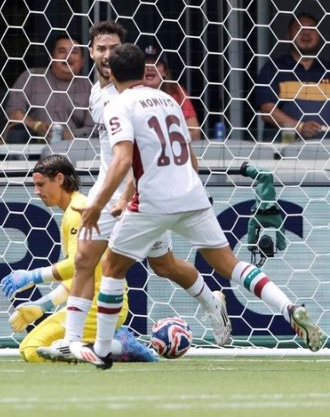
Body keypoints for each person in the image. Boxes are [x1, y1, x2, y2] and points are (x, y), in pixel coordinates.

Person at [73, 44, 325, 367]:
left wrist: (98, 205)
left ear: (112, 73)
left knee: (111, 267)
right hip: (191, 193)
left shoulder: (118, 105)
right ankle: (288, 307)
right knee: (230, 264)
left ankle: (103, 350)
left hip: (153, 200)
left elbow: (122, 161)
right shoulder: (169, 100)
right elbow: (191, 158)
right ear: (143, 70)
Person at [24, 21, 230, 363]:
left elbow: (138, 156)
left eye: (111, 49)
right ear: (90, 53)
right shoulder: (95, 93)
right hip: (109, 194)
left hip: (141, 196)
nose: (105, 55)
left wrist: (125, 196)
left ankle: (212, 302)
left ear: (121, 53)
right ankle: (71, 341)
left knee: (164, 266)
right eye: (100, 49)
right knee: (85, 260)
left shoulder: (132, 97)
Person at [4, 154, 157, 363]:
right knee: (28, 350)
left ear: (59, 179)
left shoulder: (77, 212)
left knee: (32, 350)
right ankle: (109, 342)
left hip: (97, 305)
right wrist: (43, 305)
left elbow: (77, 263)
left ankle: (120, 346)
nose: (36, 192)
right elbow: (82, 274)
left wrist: (33, 276)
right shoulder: (73, 210)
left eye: (41, 185)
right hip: (90, 302)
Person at [3, 33, 93, 143]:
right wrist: (36, 126)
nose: (67, 57)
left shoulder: (89, 88)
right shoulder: (31, 77)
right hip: (31, 149)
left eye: (74, 52)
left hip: (73, 150)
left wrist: (68, 135)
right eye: (61, 51)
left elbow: (93, 129)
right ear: (51, 57)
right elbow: (13, 114)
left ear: (83, 61)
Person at [253, 13, 330, 140]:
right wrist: (299, 127)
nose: (306, 33)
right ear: (288, 36)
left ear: (319, 36)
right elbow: (267, 110)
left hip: (325, 149)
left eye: (311, 28)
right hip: (284, 147)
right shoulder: (273, 68)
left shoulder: (327, 70)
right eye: (299, 28)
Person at [142, 44, 202, 141]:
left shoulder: (177, 91)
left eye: (156, 64)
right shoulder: (131, 93)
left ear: (165, 71)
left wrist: (168, 142)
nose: (150, 68)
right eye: (145, 64)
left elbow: (195, 132)